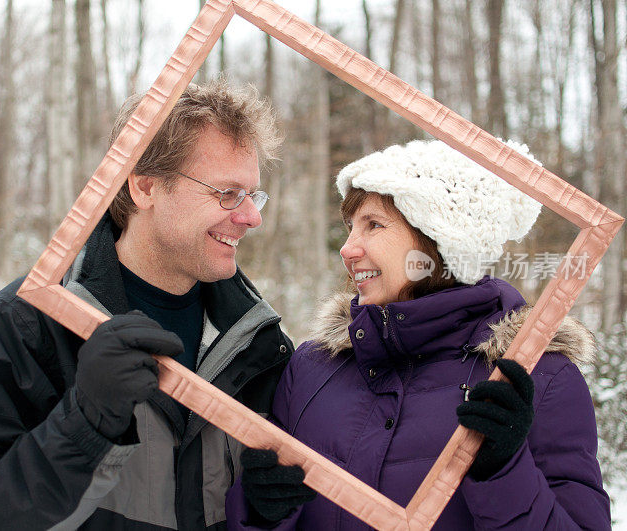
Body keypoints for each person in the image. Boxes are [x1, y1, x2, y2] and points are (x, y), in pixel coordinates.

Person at [0, 80, 295, 530]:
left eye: (253, 195)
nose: (252, 217)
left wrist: (259, 509)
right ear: (144, 188)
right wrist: (85, 423)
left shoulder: (260, 346)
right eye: (227, 194)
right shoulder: (28, 321)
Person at [225, 140, 611, 529]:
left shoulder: (534, 377)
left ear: (439, 243)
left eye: (373, 224)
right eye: (349, 227)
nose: (347, 248)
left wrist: (505, 473)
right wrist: (259, 512)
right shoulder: (311, 368)